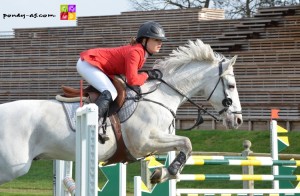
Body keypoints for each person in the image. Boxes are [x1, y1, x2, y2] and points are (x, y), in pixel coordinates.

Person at [76, 21, 167, 119]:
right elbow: (132, 80)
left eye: (161, 40)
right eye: (156, 39)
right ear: (145, 40)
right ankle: (91, 123)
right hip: (89, 63)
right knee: (111, 92)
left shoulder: (140, 52)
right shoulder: (136, 52)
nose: (160, 43)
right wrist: (146, 75)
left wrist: (145, 75)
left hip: (96, 65)